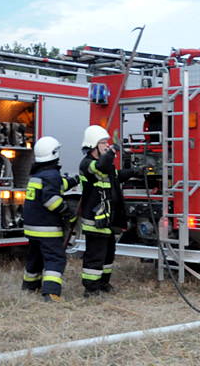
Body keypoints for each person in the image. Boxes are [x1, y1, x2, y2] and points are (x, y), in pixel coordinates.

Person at [78, 125, 135, 297]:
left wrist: (135, 172)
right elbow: (102, 167)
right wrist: (114, 150)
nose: (106, 146)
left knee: (108, 254)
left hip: (107, 219)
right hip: (94, 221)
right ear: (93, 145)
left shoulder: (104, 164)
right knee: (95, 256)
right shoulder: (88, 163)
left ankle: (103, 283)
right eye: (103, 143)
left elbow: (114, 175)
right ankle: (91, 288)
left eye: (107, 143)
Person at [22, 136, 79, 302]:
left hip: (32, 227)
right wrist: (67, 212)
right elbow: (50, 199)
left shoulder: (38, 174)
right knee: (55, 258)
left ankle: (29, 286)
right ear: (54, 153)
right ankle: (51, 293)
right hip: (47, 227)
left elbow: (56, 185)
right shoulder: (52, 174)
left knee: (35, 257)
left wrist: (73, 180)